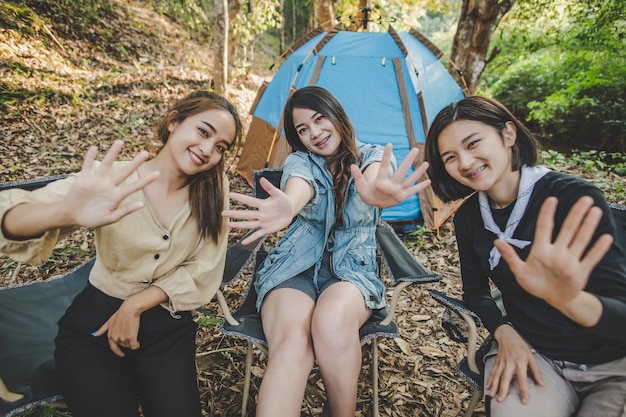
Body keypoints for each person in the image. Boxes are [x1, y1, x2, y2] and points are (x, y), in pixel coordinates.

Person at [0, 90, 243, 417]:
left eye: (220, 147)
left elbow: (205, 267)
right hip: (94, 329)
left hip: (167, 331)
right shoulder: (115, 178)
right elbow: (9, 216)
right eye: (203, 131)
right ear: (174, 122)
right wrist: (65, 213)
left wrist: (136, 304)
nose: (208, 150)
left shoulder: (215, 191)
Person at [222, 86, 430, 417]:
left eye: (319, 119)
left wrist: (376, 191)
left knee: (331, 323)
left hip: (351, 271)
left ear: (337, 115)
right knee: (292, 346)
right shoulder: (300, 161)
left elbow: (375, 179)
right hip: (294, 269)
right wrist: (288, 207)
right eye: (303, 129)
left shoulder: (371, 156)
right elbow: (297, 188)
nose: (314, 133)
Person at [424, 95, 626, 417]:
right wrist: (505, 333)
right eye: (450, 157)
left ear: (508, 134)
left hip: (610, 363)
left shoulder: (574, 198)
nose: (464, 162)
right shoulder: (468, 218)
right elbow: (476, 293)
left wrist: (569, 300)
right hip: (534, 352)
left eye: (473, 143)